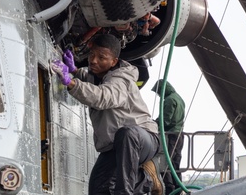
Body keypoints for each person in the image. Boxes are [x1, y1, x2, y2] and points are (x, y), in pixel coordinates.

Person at [50, 34, 165, 195]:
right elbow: (93, 82)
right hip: (116, 146)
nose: (93, 60)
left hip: (143, 140)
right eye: (91, 55)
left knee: (127, 134)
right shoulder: (99, 75)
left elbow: (102, 97)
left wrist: (71, 83)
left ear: (114, 62)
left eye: (101, 57)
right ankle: (142, 181)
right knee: (98, 189)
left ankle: (137, 185)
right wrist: (75, 71)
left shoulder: (121, 79)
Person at [152, 80, 185, 195]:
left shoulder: (169, 100)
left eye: (159, 92)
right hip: (179, 134)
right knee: (176, 163)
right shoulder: (178, 98)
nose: (159, 95)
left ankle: (170, 189)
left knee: (167, 163)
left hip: (171, 136)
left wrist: (152, 124)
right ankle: (179, 188)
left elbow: (165, 121)